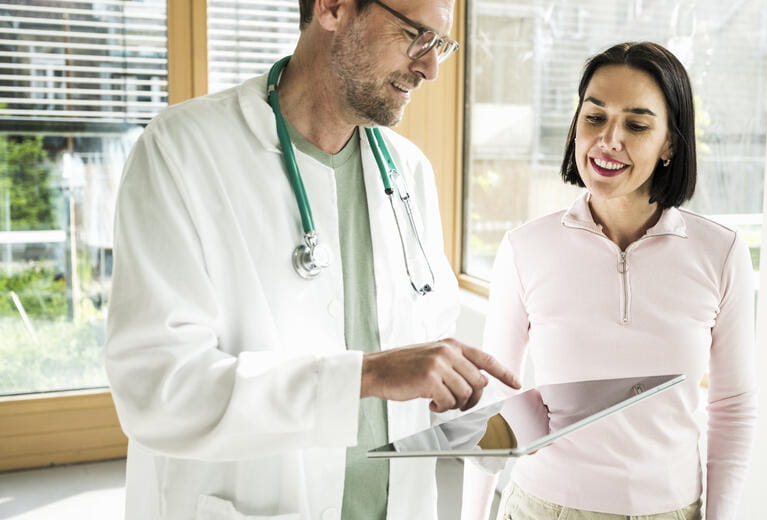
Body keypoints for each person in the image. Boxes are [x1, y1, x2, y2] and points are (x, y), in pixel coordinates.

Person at [104, 0, 520, 519]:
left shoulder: (408, 172)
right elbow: (158, 391)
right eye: (415, 34)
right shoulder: (183, 150)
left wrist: (485, 413)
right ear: (333, 7)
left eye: (440, 44)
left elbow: (420, 364)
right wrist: (364, 376)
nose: (430, 67)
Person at [462, 41, 756, 520]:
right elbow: (497, 400)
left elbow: (734, 406)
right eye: (594, 117)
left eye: (636, 125)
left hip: (669, 510)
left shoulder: (720, 253)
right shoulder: (526, 248)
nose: (608, 140)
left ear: (671, 143)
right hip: (542, 507)